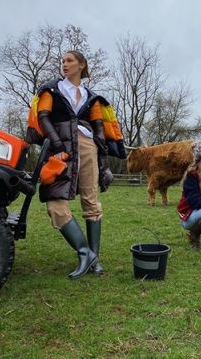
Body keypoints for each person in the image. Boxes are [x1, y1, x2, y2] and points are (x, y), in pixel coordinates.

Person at [30, 50, 123, 279]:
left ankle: (94, 259)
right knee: (55, 204)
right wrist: (58, 146)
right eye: (62, 61)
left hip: (88, 147)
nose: (64, 64)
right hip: (59, 150)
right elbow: (43, 118)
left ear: (81, 65)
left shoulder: (92, 98)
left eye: (69, 60)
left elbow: (99, 129)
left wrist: (104, 163)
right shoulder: (52, 89)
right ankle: (85, 252)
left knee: (91, 202)